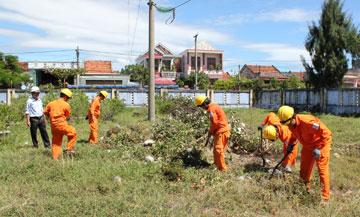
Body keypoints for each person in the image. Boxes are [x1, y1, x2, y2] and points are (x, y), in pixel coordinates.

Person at [278, 105, 332, 201]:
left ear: (293, 117)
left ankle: (325, 197)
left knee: (322, 169)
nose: (288, 126)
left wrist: (319, 148)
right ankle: (303, 189)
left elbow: (327, 133)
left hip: (321, 144)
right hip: (307, 145)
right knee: (304, 168)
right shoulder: (291, 124)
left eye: (288, 123)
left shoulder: (308, 122)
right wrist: (290, 144)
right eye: (286, 124)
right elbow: (294, 135)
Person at [195, 95, 230, 171]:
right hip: (224, 131)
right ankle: (217, 165)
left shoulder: (211, 110)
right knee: (217, 150)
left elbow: (214, 123)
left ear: (204, 104)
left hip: (221, 132)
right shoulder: (215, 106)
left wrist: (211, 132)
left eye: (201, 107)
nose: (202, 109)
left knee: (218, 150)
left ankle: (222, 169)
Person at [44, 88, 78, 160]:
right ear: (65, 97)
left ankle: (56, 159)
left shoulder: (51, 103)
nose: (68, 100)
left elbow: (45, 112)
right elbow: (67, 115)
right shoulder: (66, 105)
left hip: (53, 126)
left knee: (56, 143)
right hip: (62, 125)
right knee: (73, 132)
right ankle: (68, 149)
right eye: (68, 98)